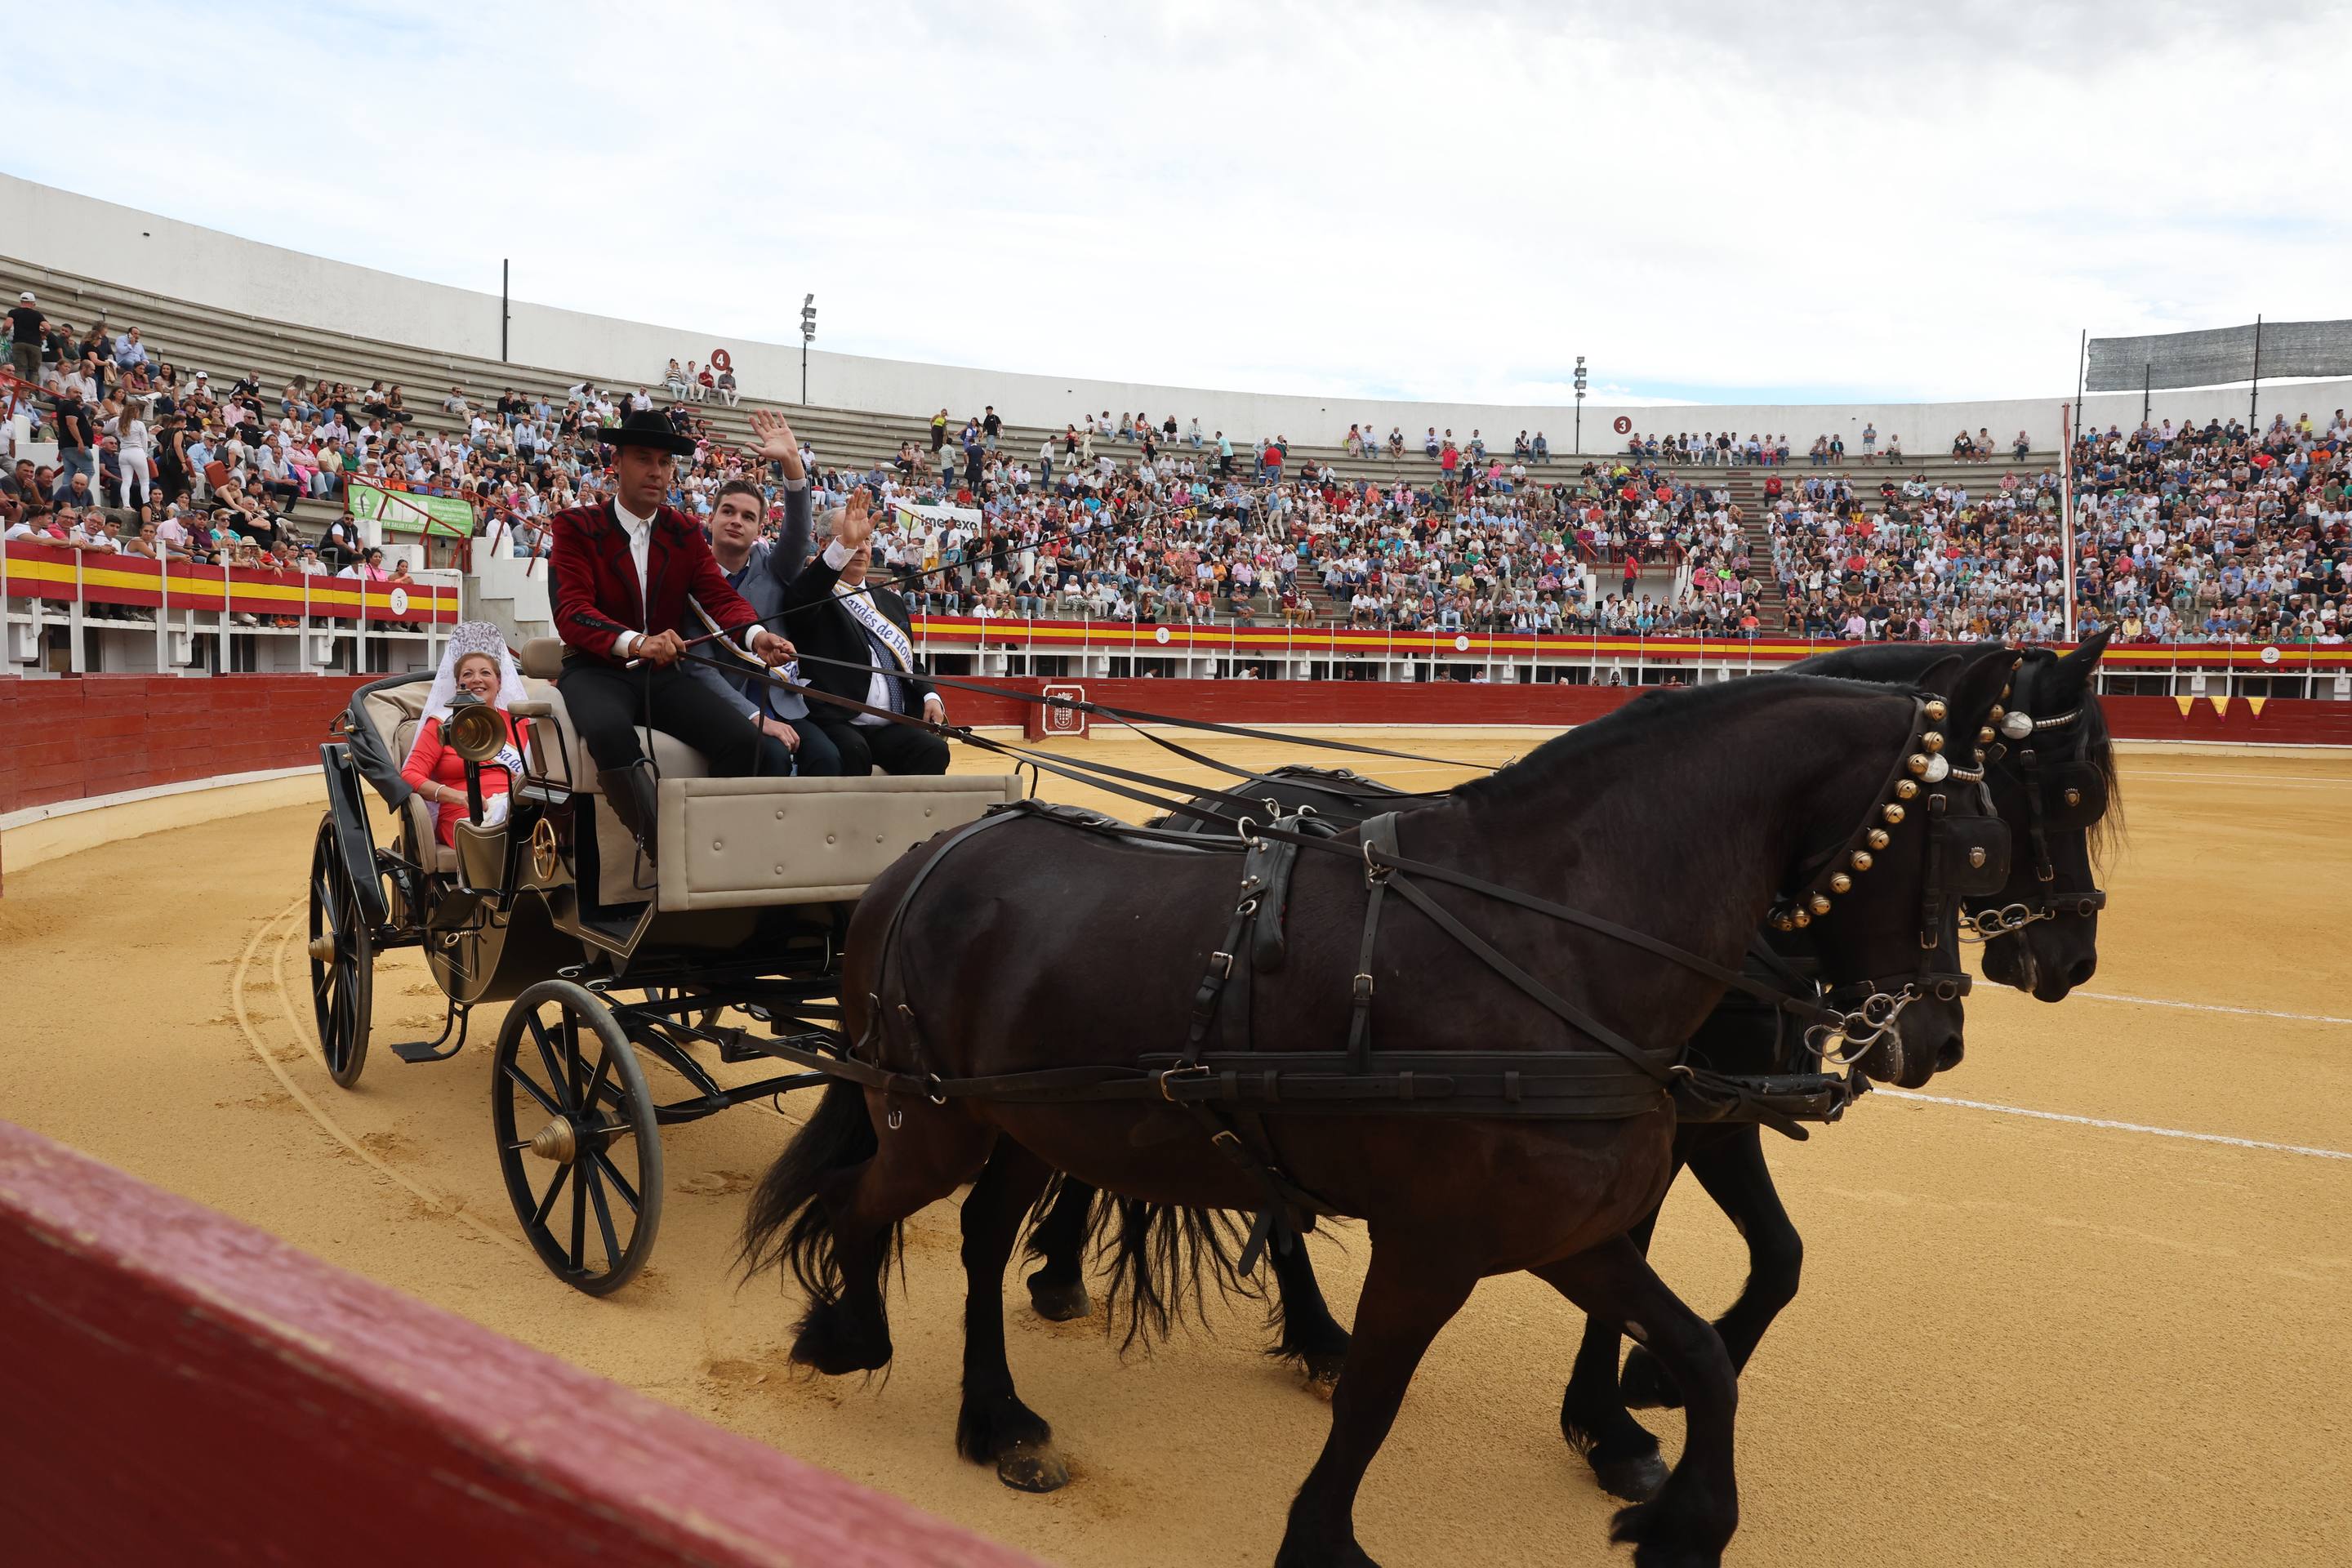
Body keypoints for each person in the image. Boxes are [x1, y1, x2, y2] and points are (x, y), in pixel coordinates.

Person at [547, 407, 796, 868]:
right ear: (616, 463)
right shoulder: (576, 528)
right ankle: (668, 854)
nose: (657, 471)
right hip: (596, 670)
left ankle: (726, 854)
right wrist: (637, 643)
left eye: (665, 462)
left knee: (752, 745)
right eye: (644, 458)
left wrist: (756, 635)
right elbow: (572, 613)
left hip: (663, 675)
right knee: (607, 731)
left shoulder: (683, 532)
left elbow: (718, 595)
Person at [689, 409, 843, 777]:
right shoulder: (690, 576)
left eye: (747, 516)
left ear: (759, 527)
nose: (735, 521)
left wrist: (793, 467)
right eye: (727, 511)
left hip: (783, 703)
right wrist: (752, 716)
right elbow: (698, 669)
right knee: (769, 757)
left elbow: (797, 533)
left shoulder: (772, 565)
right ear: (711, 518)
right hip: (727, 709)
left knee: (828, 757)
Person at [780, 486, 949, 777]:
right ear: (824, 545)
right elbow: (802, 601)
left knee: (933, 750)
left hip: (893, 722)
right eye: (851, 537)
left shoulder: (891, 601)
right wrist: (843, 546)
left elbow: (909, 661)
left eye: (867, 539)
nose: (861, 546)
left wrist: (930, 695)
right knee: (853, 752)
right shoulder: (815, 590)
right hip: (839, 721)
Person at [399, 623, 528, 848]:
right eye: (468, 674)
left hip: (519, 808)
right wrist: (457, 797)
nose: (476, 679)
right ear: (459, 685)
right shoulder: (441, 724)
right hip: (464, 814)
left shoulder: (519, 721)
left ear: (499, 683)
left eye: (485, 673)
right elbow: (410, 774)